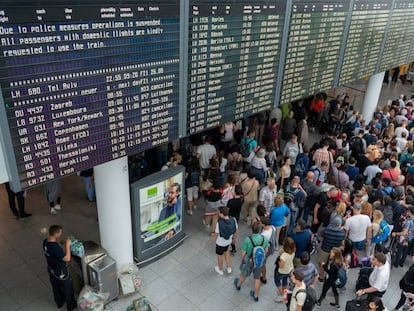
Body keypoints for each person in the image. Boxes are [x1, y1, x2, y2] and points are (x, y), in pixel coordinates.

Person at [43, 225, 76, 311]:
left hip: (51, 269)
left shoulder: (45, 242)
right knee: (67, 287)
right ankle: (71, 305)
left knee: (55, 286)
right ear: (56, 234)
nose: (61, 234)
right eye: (60, 232)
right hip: (60, 271)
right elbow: (67, 258)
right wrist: (67, 245)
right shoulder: (55, 248)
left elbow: (53, 250)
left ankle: (59, 302)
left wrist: (62, 242)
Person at [234, 222, 269, 302]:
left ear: (252, 230)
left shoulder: (247, 240)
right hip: (259, 262)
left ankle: (238, 285)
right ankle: (256, 295)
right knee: (257, 278)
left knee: (243, 274)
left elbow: (243, 253)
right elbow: (266, 251)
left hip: (249, 261)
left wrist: (244, 261)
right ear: (260, 230)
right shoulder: (264, 239)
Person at [213, 207, 238, 276]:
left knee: (220, 255)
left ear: (222, 214)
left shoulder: (219, 223)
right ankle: (229, 267)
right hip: (229, 241)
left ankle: (220, 269)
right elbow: (236, 230)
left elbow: (216, 233)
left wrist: (213, 236)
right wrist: (234, 238)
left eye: (219, 212)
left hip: (220, 243)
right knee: (226, 252)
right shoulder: (233, 219)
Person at [275, 237, 296, 302]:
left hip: (282, 271)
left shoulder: (284, 255)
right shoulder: (293, 252)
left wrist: (279, 262)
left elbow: (281, 266)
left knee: (277, 281)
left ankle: (281, 295)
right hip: (288, 270)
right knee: (284, 281)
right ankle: (284, 294)